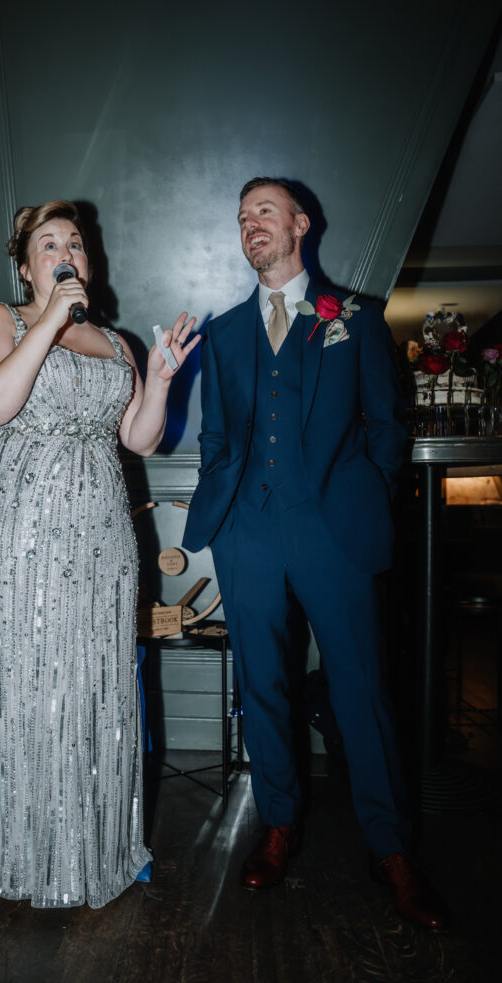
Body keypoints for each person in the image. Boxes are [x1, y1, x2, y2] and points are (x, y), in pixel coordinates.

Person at [182, 177, 446, 930]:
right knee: (264, 687)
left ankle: (391, 850)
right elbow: (215, 436)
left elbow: (384, 423)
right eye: (240, 217)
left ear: (300, 223)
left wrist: (365, 489)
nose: (249, 225)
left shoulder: (352, 318)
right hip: (248, 532)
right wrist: (223, 503)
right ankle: (278, 826)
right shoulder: (225, 331)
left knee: (361, 689)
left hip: (333, 529)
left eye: (263, 211)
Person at [0, 200, 199, 909]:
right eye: (48, 243)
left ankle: (90, 847)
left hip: (100, 525)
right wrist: (50, 319)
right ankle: (21, 852)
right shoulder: (2, 320)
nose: (65, 252)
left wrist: (162, 374)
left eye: (76, 243)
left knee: (94, 678)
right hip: (20, 522)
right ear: (26, 264)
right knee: (25, 675)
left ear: (89, 263)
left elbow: (141, 439)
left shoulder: (116, 342)